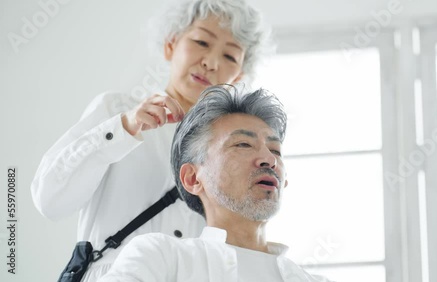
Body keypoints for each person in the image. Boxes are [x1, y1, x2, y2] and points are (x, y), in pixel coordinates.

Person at [30, 0, 273, 280]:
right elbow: (50, 199)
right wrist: (122, 128)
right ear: (171, 44)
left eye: (230, 57)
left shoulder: (235, 151)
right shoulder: (116, 110)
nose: (211, 62)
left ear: (239, 75)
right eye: (201, 42)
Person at [98, 85, 331, 282]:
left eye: (275, 150)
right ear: (192, 178)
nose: (269, 160)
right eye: (243, 144)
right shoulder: (159, 257)